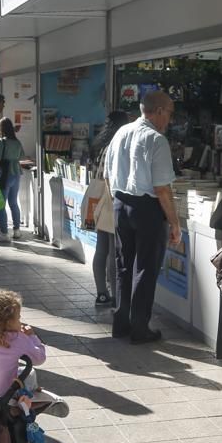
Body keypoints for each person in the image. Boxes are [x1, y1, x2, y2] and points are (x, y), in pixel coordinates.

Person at [104, 90, 182, 343]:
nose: (169, 119)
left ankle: (121, 324)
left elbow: (106, 175)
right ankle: (140, 328)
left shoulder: (121, 133)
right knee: (145, 269)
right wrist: (174, 222)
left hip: (120, 204)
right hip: (147, 208)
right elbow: (162, 188)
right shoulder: (156, 140)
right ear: (158, 111)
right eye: (169, 113)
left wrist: (117, 201)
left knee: (123, 266)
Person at [89, 111, 130, 306]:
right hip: (111, 202)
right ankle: (115, 295)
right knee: (115, 252)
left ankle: (101, 292)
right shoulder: (118, 146)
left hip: (98, 202)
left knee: (101, 249)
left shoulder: (100, 145)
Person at [0, 117, 25, 242]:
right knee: (13, 203)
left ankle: (4, 232)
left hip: (4, 175)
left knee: (0, 204)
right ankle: (16, 230)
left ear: (1, 129)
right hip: (16, 173)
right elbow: (21, 156)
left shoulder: (1, 142)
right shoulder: (17, 142)